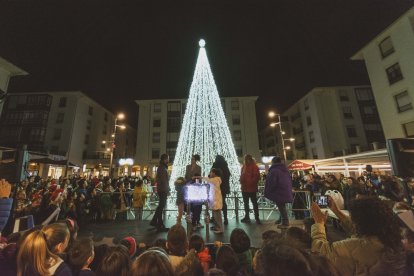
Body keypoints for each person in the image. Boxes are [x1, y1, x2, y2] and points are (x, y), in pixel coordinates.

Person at [311, 196, 406, 275]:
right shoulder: (393, 240)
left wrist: (319, 223)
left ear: (360, 222)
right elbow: (358, 229)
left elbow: (320, 252)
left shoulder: (354, 246)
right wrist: (337, 211)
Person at [264, 156, 293, 228]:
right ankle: (281, 219)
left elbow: (272, 182)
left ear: (273, 162)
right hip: (285, 190)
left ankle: (285, 222)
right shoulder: (284, 170)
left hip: (278, 190)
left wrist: (268, 190)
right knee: (282, 206)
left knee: (281, 206)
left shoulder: (274, 170)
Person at [150, 154, 170, 232]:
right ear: (165, 159)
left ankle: (156, 222)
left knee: (160, 207)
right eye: (167, 158)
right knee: (161, 207)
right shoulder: (162, 168)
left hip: (162, 189)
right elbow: (164, 181)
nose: (168, 160)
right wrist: (167, 190)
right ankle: (158, 224)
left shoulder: (162, 167)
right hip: (162, 190)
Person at [239, 154, 261, 224]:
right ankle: (248, 217)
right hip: (246, 188)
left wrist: (249, 183)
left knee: (253, 203)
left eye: (247, 159)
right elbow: (242, 175)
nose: (246, 160)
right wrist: (241, 180)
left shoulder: (254, 166)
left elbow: (256, 177)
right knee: (247, 203)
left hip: (250, 188)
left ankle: (256, 217)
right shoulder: (244, 166)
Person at [211, 155, 230, 225]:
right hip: (223, 188)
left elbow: (211, 175)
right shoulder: (225, 166)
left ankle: (215, 219)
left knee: (215, 203)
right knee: (223, 203)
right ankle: (225, 218)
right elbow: (228, 176)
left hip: (216, 187)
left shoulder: (215, 166)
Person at [185, 154, 203, 229]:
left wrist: (195, 178)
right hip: (189, 187)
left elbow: (199, 177)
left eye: (193, 159)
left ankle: (197, 221)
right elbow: (186, 176)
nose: (192, 160)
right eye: (191, 159)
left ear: (195, 160)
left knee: (198, 205)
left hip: (196, 188)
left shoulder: (199, 167)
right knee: (191, 205)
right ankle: (193, 221)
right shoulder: (188, 167)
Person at [204, 168, 223, 234]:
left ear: (214, 173)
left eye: (211, 172)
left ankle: (220, 228)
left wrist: (199, 177)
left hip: (216, 200)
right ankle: (217, 227)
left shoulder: (216, 179)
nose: (210, 173)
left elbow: (207, 180)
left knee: (217, 215)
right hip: (215, 200)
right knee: (216, 215)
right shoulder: (215, 179)